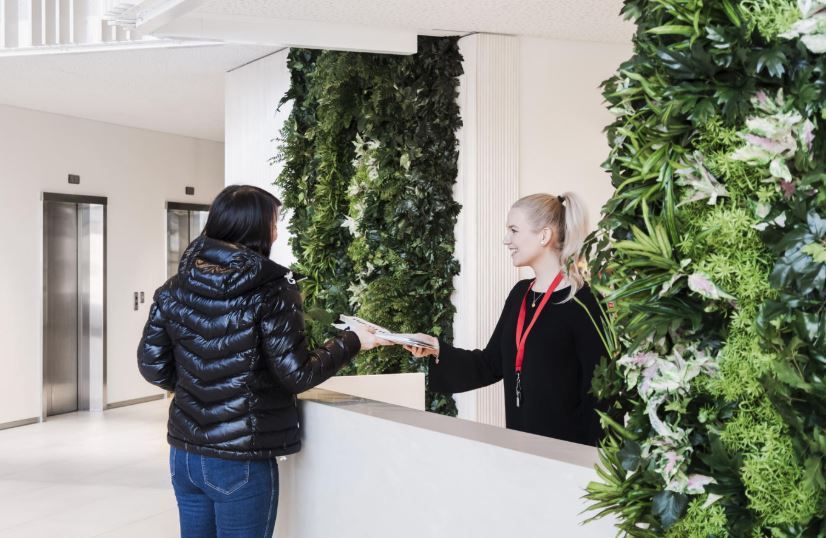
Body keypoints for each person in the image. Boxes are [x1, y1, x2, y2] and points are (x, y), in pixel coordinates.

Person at [137, 185, 387, 537]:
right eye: (273, 223)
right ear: (253, 228)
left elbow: (152, 365)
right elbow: (296, 374)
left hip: (185, 454)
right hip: (241, 459)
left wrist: (197, 385)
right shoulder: (273, 290)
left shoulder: (174, 288)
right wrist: (354, 340)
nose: (277, 232)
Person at [405, 192, 606, 446]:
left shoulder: (585, 301)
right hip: (520, 447)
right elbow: (491, 364)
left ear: (544, 236)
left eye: (514, 230)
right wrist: (436, 348)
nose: (506, 240)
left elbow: (600, 394)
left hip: (567, 454)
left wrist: (590, 461)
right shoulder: (520, 294)